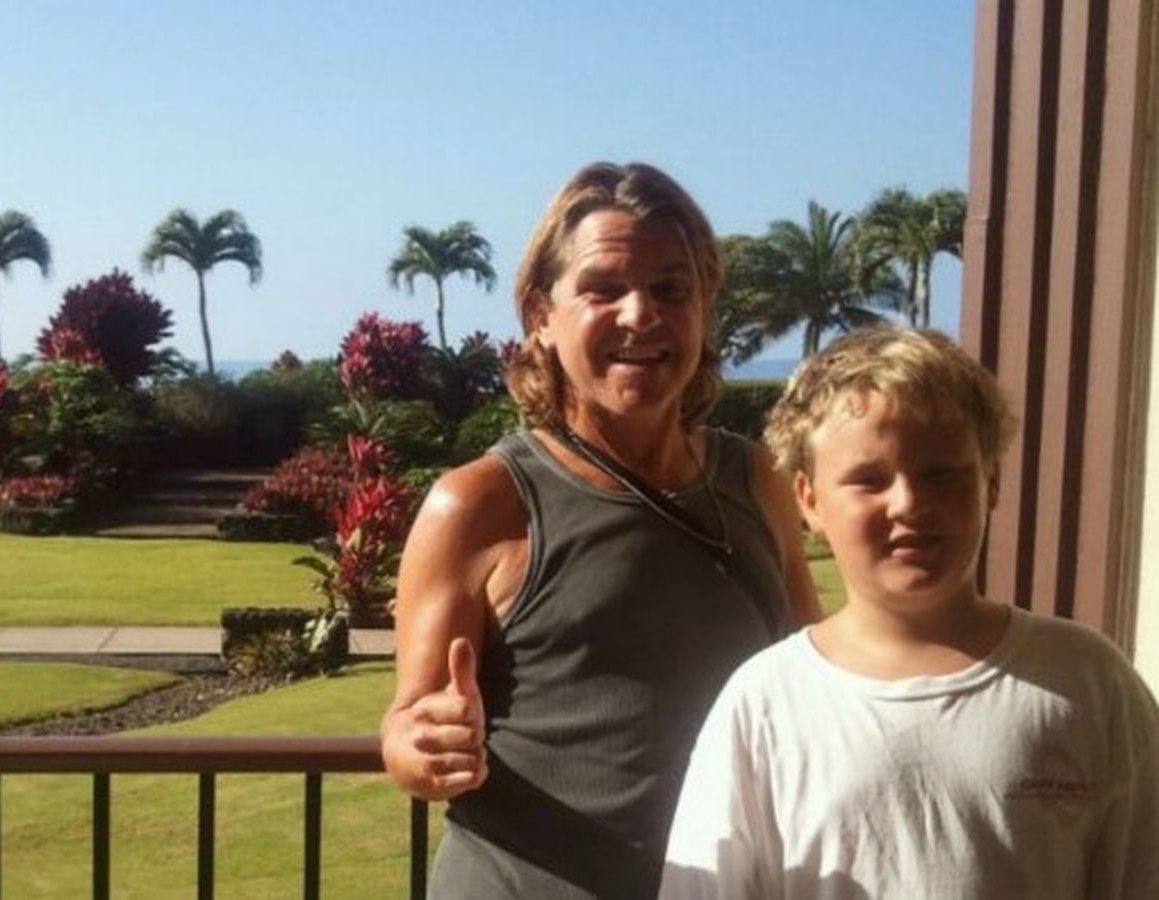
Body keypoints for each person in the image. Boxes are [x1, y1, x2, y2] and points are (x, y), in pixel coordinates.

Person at [380, 161, 821, 898]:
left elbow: (815, 677)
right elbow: (405, 724)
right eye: (603, 288)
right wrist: (425, 746)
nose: (640, 315)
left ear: (704, 306)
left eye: (671, 290)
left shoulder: (758, 481)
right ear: (540, 316)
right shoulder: (478, 504)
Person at [659, 327, 1159, 899]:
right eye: (868, 480)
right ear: (809, 499)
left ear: (991, 481)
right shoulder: (766, 703)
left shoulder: (1088, 681)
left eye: (941, 474)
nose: (909, 503)